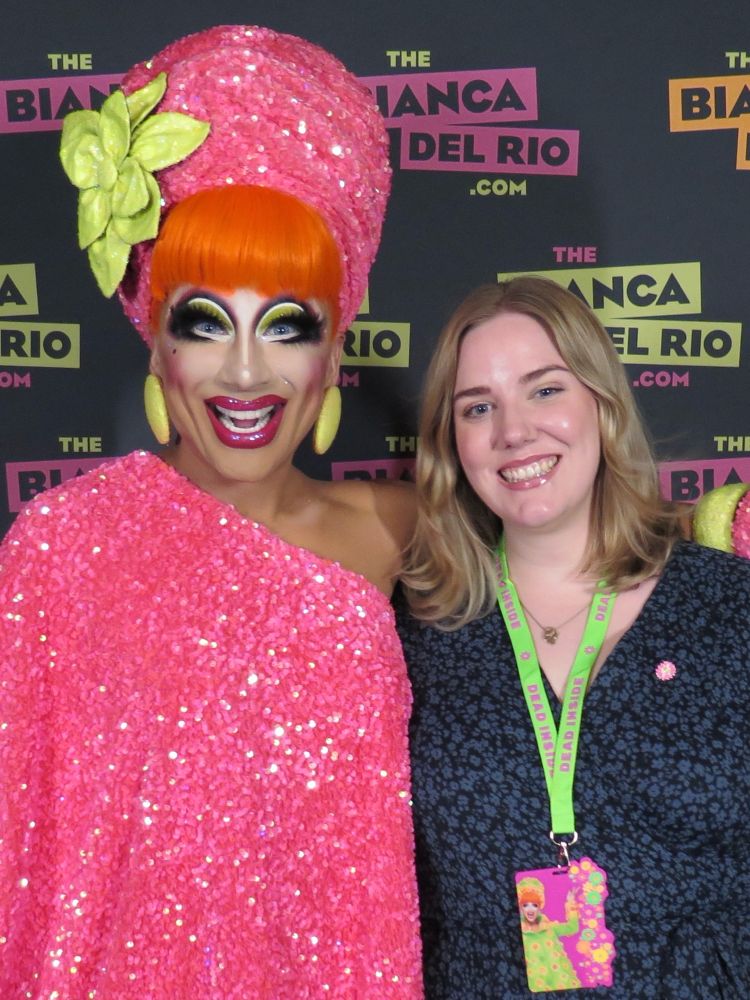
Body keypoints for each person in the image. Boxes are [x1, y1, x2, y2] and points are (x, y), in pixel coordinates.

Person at [0, 26, 423, 998]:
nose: (243, 369)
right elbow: (25, 875)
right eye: (204, 320)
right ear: (155, 337)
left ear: (332, 345)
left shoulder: (402, 528)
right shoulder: (58, 550)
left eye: (286, 323)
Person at [397, 276, 750, 997]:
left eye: (546, 389)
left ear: (603, 402)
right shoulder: (413, 634)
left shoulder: (730, 608)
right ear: (451, 442)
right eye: (478, 407)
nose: (514, 430)